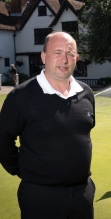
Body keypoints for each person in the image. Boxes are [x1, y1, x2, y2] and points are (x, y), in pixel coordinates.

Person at [0, 32, 96, 219]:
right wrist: (22, 170)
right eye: (57, 52)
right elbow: (2, 140)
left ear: (76, 59)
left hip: (82, 195)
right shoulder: (20, 96)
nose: (64, 59)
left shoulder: (86, 94)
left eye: (70, 53)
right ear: (43, 57)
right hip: (40, 197)